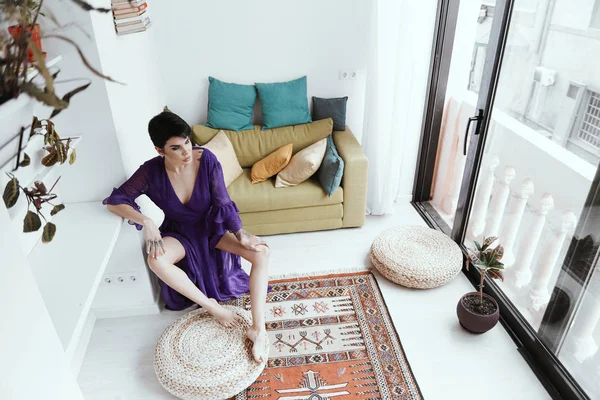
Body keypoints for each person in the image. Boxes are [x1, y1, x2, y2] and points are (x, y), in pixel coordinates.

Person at [103, 111, 269, 362]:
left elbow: (223, 201)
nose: (186, 151)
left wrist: (240, 233)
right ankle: (213, 307)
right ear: (160, 150)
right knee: (156, 260)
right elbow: (116, 201)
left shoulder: (206, 160)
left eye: (187, 142)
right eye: (176, 147)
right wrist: (146, 221)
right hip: (180, 233)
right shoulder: (150, 172)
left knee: (262, 253)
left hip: (212, 228)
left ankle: (258, 330)